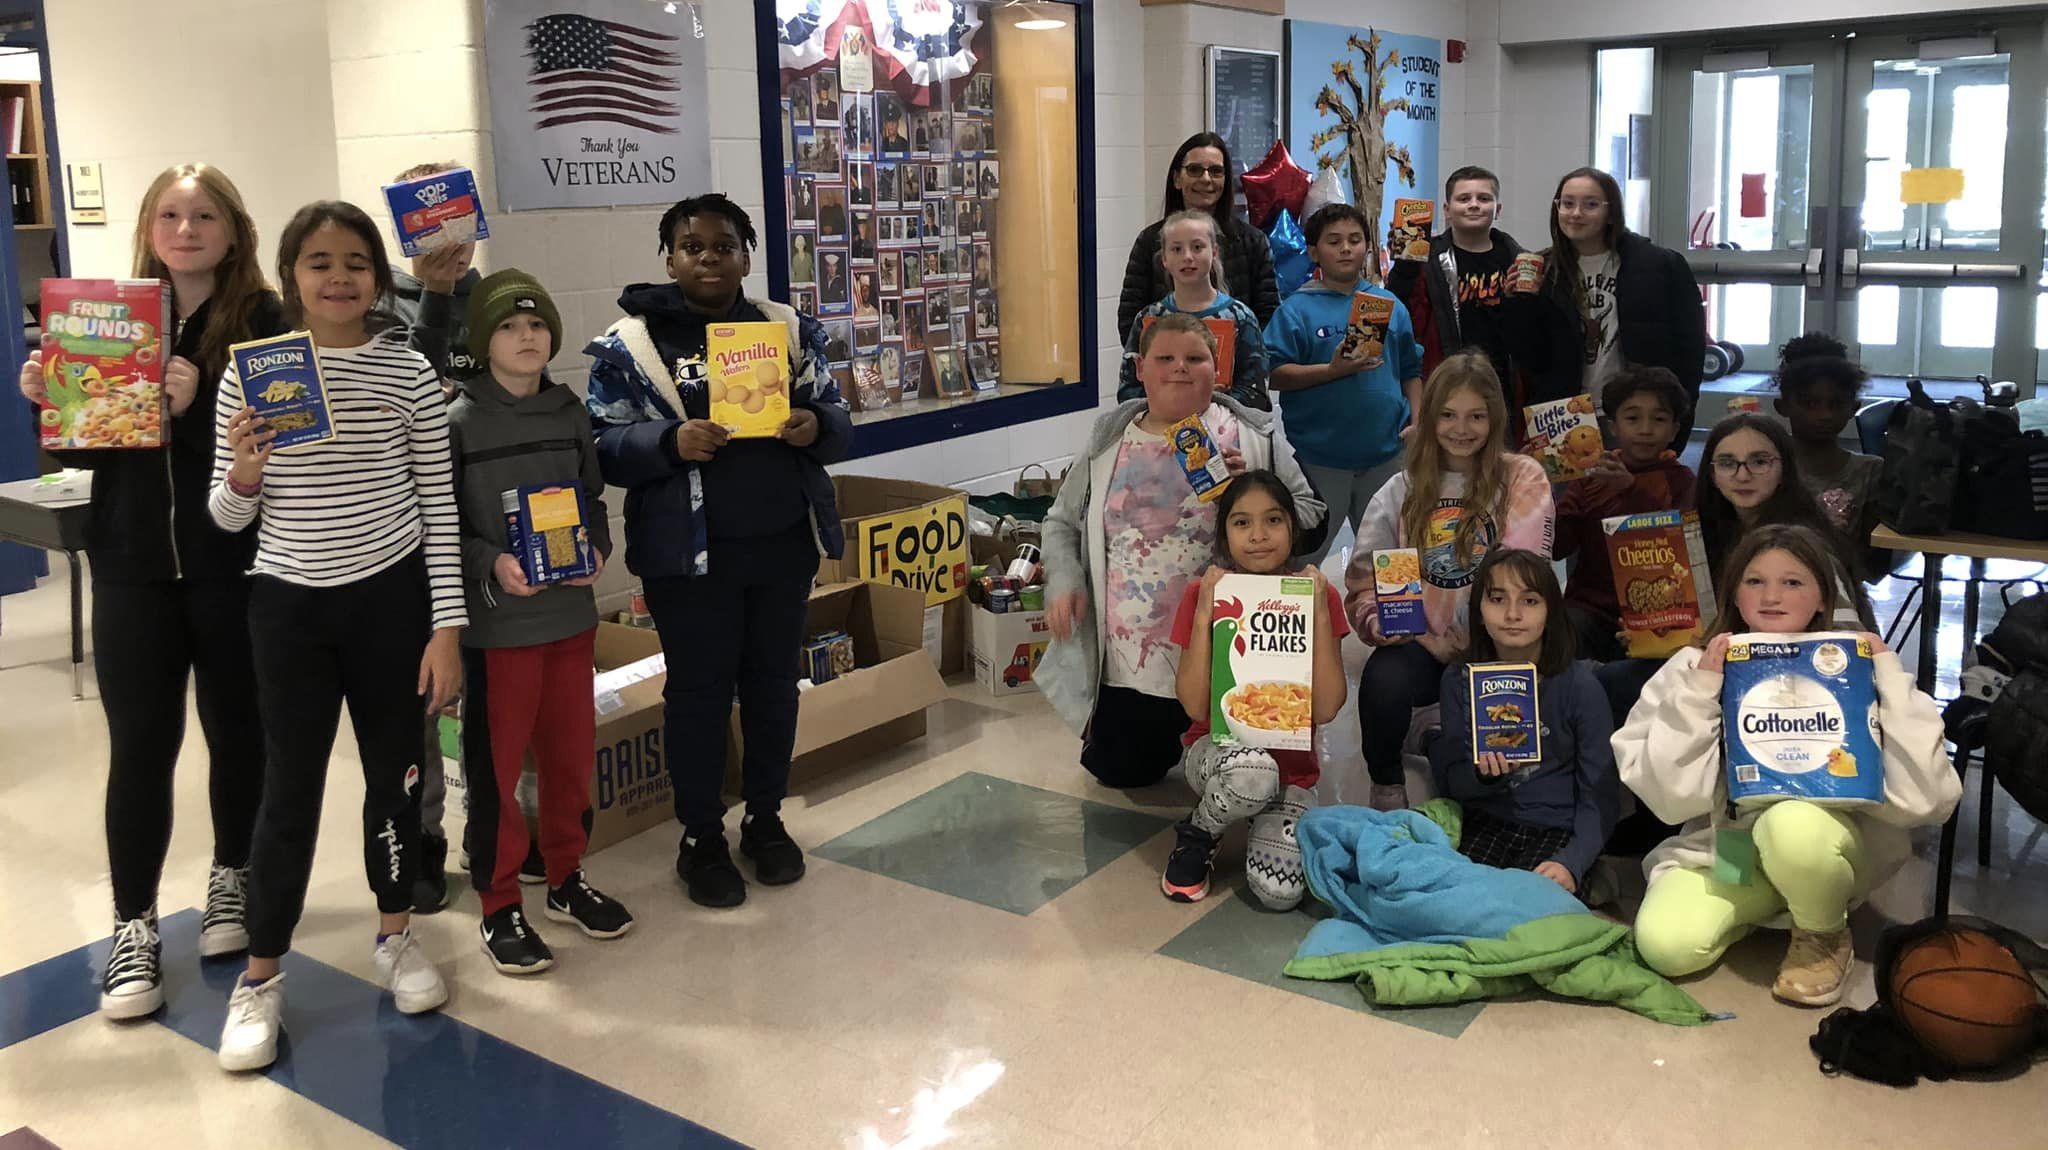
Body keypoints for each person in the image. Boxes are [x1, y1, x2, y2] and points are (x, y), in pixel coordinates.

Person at [15, 163, 286, 1019]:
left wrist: (201, 402)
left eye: (205, 214)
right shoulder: (106, 316)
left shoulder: (265, 320)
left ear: (234, 229)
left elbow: (283, 437)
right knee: (140, 746)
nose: (186, 228)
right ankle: (133, 922)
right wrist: (48, 405)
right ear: (147, 225)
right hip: (131, 565)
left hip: (231, 565)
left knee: (237, 731)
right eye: (170, 214)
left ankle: (232, 877)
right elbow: (87, 455)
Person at [210, 201, 465, 1072]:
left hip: (390, 604)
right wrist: (247, 469)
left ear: (375, 274)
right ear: (291, 277)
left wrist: (446, 629)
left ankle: (394, 934)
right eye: (319, 262)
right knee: (289, 789)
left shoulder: (407, 373)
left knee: (397, 779)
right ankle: (260, 975)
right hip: (288, 606)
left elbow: (438, 506)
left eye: (356, 261)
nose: (340, 278)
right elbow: (223, 512)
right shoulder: (255, 376)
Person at [585, 193, 853, 909]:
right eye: (692, 246)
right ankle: (700, 835)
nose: (709, 257)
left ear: (747, 255)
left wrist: (812, 424)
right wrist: (668, 442)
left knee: (772, 689)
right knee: (699, 697)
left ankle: (766, 820)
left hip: (780, 544)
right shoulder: (631, 344)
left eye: (725, 244)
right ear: (669, 257)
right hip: (688, 557)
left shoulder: (786, 330)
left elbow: (839, 416)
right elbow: (600, 443)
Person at [1615, 524, 1961, 1005]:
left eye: (1793, 582)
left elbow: (1929, 800)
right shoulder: (1692, 667)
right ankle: (1779, 904)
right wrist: (1700, 694)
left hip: (1827, 843)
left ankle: (1822, 930)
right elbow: (1673, 800)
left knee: (1792, 825)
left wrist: (1888, 680)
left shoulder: (1859, 667)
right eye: (1754, 581)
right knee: (1665, 947)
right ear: (1734, 591)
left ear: (1823, 595)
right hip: (1732, 854)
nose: (1771, 596)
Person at [1039, 314, 1325, 790]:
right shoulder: (1108, 440)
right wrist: (1065, 581)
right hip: (1132, 667)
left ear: (1219, 369)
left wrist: (1257, 494)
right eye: (1165, 358)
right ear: (1140, 369)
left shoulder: (1254, 437)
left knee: (1243, 784)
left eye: (1195, 358)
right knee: (1122, 774)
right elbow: (1060, 522)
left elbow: (1314, 515)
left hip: (1229, 657)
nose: (1180, 368)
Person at [448, 270, 633, 974]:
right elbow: (442, 527)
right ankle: (499, 905)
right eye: (507, 327)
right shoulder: (458, 422)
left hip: (569, 617)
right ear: (483, 342)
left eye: (536, 325)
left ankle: (565, 878)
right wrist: (492, 563)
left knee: (567, 758)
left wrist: (597, 549)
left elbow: (591, 500)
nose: (526, 337)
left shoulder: (568, 412)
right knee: (495, 771)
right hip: (499, 631)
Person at [1341, 352, 1555, 811]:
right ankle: (1387, 783)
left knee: (1482, 784)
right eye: (1448, 415)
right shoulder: (1400, 491)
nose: (1462, 428)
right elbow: (1364, 588)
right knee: (1382, 682)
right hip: (1424, 644)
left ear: (1494, 418)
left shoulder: (1522, 477)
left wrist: (1479, 639)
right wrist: (1417, 636)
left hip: (1502, 643)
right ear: (1429, 417)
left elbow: (1523, 571)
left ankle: (1439, 735)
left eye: (1476, 416)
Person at [377, 159, 495, 916]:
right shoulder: (378, 302)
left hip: (484, 527)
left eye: (456, 220)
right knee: (418, 702)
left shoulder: (495, 299)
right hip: (407, 537)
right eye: (428, 223)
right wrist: (439, 296)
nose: (446, 240)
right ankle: (421, 840)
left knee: (488, 695)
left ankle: (490, 831)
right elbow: (404, 392)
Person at [1163, 472, 1347, 907]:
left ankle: (1255, 815)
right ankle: (1201, 829)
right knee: (1252, 774)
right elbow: (1191, 704)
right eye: (1242, 523)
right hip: (1216, 753)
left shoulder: (1317, 594)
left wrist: (1318, 613)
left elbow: (1325, 709)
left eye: (1273, 520)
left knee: (1279, 893)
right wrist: (1208, 610)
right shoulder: (1202, 592)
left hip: (1292, 770)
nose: (1259, 536)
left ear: (1292, 528)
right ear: (1224, 534)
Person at [1428, 550, 1616, 895]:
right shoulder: (1458, 680)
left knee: (1531, 904)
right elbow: (1454, 783)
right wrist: (1485, 776)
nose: (1513, 614)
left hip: (1555, 828)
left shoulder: (1580, 687)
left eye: (1529, 601)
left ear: (1550, 612)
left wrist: (1572, 861)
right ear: (1479, 613)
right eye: (1497, 599)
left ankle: (1592, 873)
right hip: (1484, 821)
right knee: (1458, 897)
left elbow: (1600, 795)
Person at [1265, 202, 1424, 564]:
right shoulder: (1296, 309)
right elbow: (1276, 375)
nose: (1346, 248)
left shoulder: (1389, 305)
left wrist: (1418, 420)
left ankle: (1393, 623)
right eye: (1334, 241)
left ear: (1368, 247)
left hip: (1386, 456)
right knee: (1303, 561)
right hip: (1321, 461)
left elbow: (1411, 371)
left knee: (1394, 562)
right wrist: (1332, 371)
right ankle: (1308, 618)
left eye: (1355, 239)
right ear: (1313, 251)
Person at [1529, 167, 1704, 420]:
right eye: (1567, 204)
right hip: (1563, 413)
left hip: (1634, 411)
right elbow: (1530, 355)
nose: (1576, 213)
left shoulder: (1660, 264)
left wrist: (1680, 411)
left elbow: (1690, 347)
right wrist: (1519, 303)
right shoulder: (1543, 269)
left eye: (1590, 205)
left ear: (1611, 213)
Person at [1554, 365, 1697, 662]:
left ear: (1674, 430)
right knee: (1562, 633)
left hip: (1658, 614)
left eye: (1659, 419)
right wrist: (1546, 494)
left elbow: (1682, 549)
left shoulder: (1681, 481)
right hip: (1589, 609)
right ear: (1613, 427)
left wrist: (1630, 491)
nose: (1645, 429)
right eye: (1632, 418)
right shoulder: (1589, 476)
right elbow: (1558, 548)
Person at [1384, 165, 1546, 404]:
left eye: (1484, 198)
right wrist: (1405, 265)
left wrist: (1523, 300)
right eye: (1463, 198)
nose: (1474, 204)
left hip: (1504, 382)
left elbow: (1531, 331)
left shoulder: (1519, 261)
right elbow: (1402, 312)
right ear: (1447, 210)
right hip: (1446, 377)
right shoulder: (1424, 260)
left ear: (1497, 209)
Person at [1117, 132, 1279, 342]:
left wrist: (1237, 358)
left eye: (1216, 171)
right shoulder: (1150, 241)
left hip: (1236, 369)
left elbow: (1269, 318)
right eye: (1194, 170)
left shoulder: (1253, 241)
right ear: (1177, 178)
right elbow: (1130, 323)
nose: (1205, 179)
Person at [1116, 209, 1269, 410]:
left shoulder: (1240, 317)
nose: (1187, 257)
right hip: (1160, 431)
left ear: (1214, 252)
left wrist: (1210, 401)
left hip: (1224, 431)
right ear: (1164, 258)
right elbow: (1128, 391)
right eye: (1177, 249)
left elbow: (1256, 391)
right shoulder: (1149, 319)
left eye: (1197, 247)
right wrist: (1168, 403)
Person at [1775, 332, 1887, 583]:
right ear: (1782, 407)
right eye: (1810, 404)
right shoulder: (1768, 466)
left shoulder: (1869, 472)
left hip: (1841, 598)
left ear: (1853, 408)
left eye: (1835, 404)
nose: (1824, 415)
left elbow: (1875, 565)